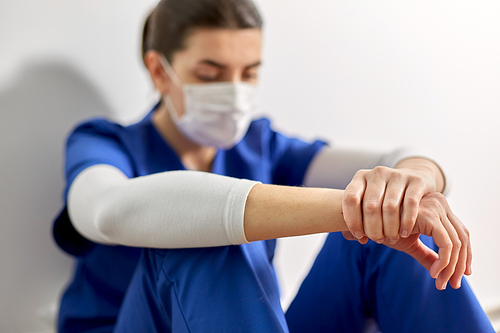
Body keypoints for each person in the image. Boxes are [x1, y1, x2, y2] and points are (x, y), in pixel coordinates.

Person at [52, 0, 494, 332]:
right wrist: (353, 208)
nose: (233, 89)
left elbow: (394, 159)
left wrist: (409, 187)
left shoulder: (260, 143)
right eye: (210, 73)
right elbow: (106, 212)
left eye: (248, 73)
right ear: (159, 71)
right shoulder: (105, 142)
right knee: (203, 235)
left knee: (383, 233)